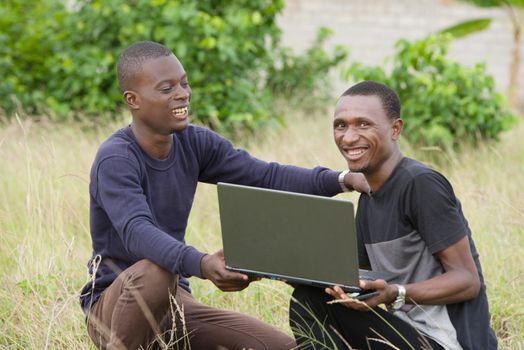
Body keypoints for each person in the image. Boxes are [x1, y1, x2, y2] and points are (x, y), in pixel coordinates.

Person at [79, 41, 369, 350]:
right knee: (157, 270)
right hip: (115, 310)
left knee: (284, 347)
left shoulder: (194, 142)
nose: (183, 94)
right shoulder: (116, 158)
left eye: (184, 83)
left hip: (175, 304)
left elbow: (265, 176)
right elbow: (137, 231)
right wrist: (202, 264)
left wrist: (342, 179)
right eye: (167, 89)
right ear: (133, 100)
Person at [289, 81, 497, 350]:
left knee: (309, 301)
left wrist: (397, 293)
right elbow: (360, 279)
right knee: (309, 296)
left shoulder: (420, 183)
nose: (349, 137)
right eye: (341, 125)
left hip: (445, 342)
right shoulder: (368, 199)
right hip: (403, 333)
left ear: (395, 129)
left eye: (363, 124)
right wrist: (286, 268)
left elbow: (467, 281)